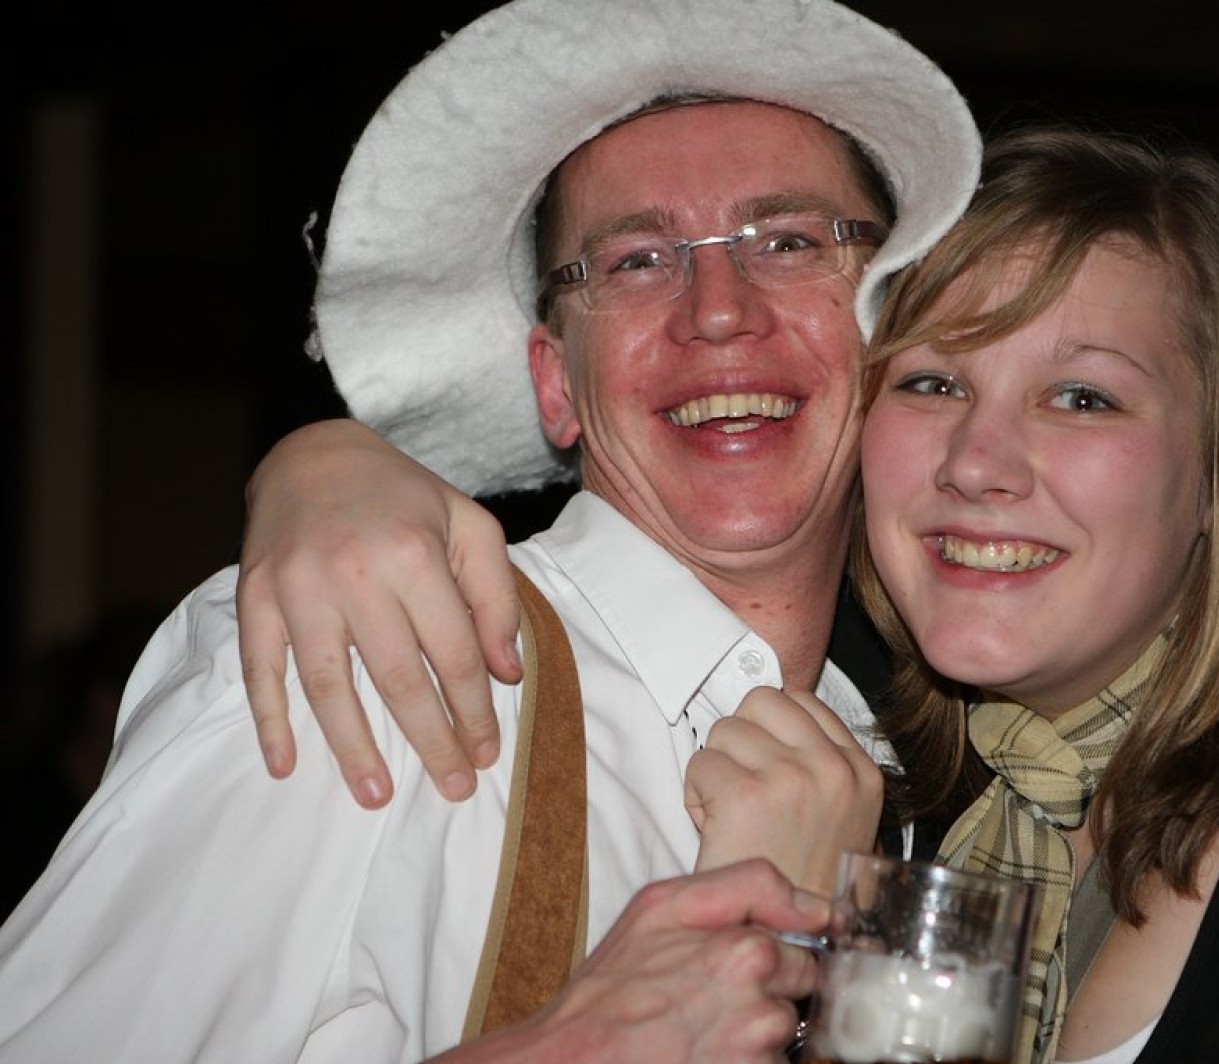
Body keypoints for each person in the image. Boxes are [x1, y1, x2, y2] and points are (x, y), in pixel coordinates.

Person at [243, 127, 1219, 1064]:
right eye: (936, 381)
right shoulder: (893, 782)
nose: (977, 464)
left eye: (1083, 397)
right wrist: (332, 466)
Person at [0, 0, 983, 1060]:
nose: (717, 308)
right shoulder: (358, 655)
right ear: (555, 384)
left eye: (788, 242)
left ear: (889, 331)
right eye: (637, 260)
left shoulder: (927, 765)